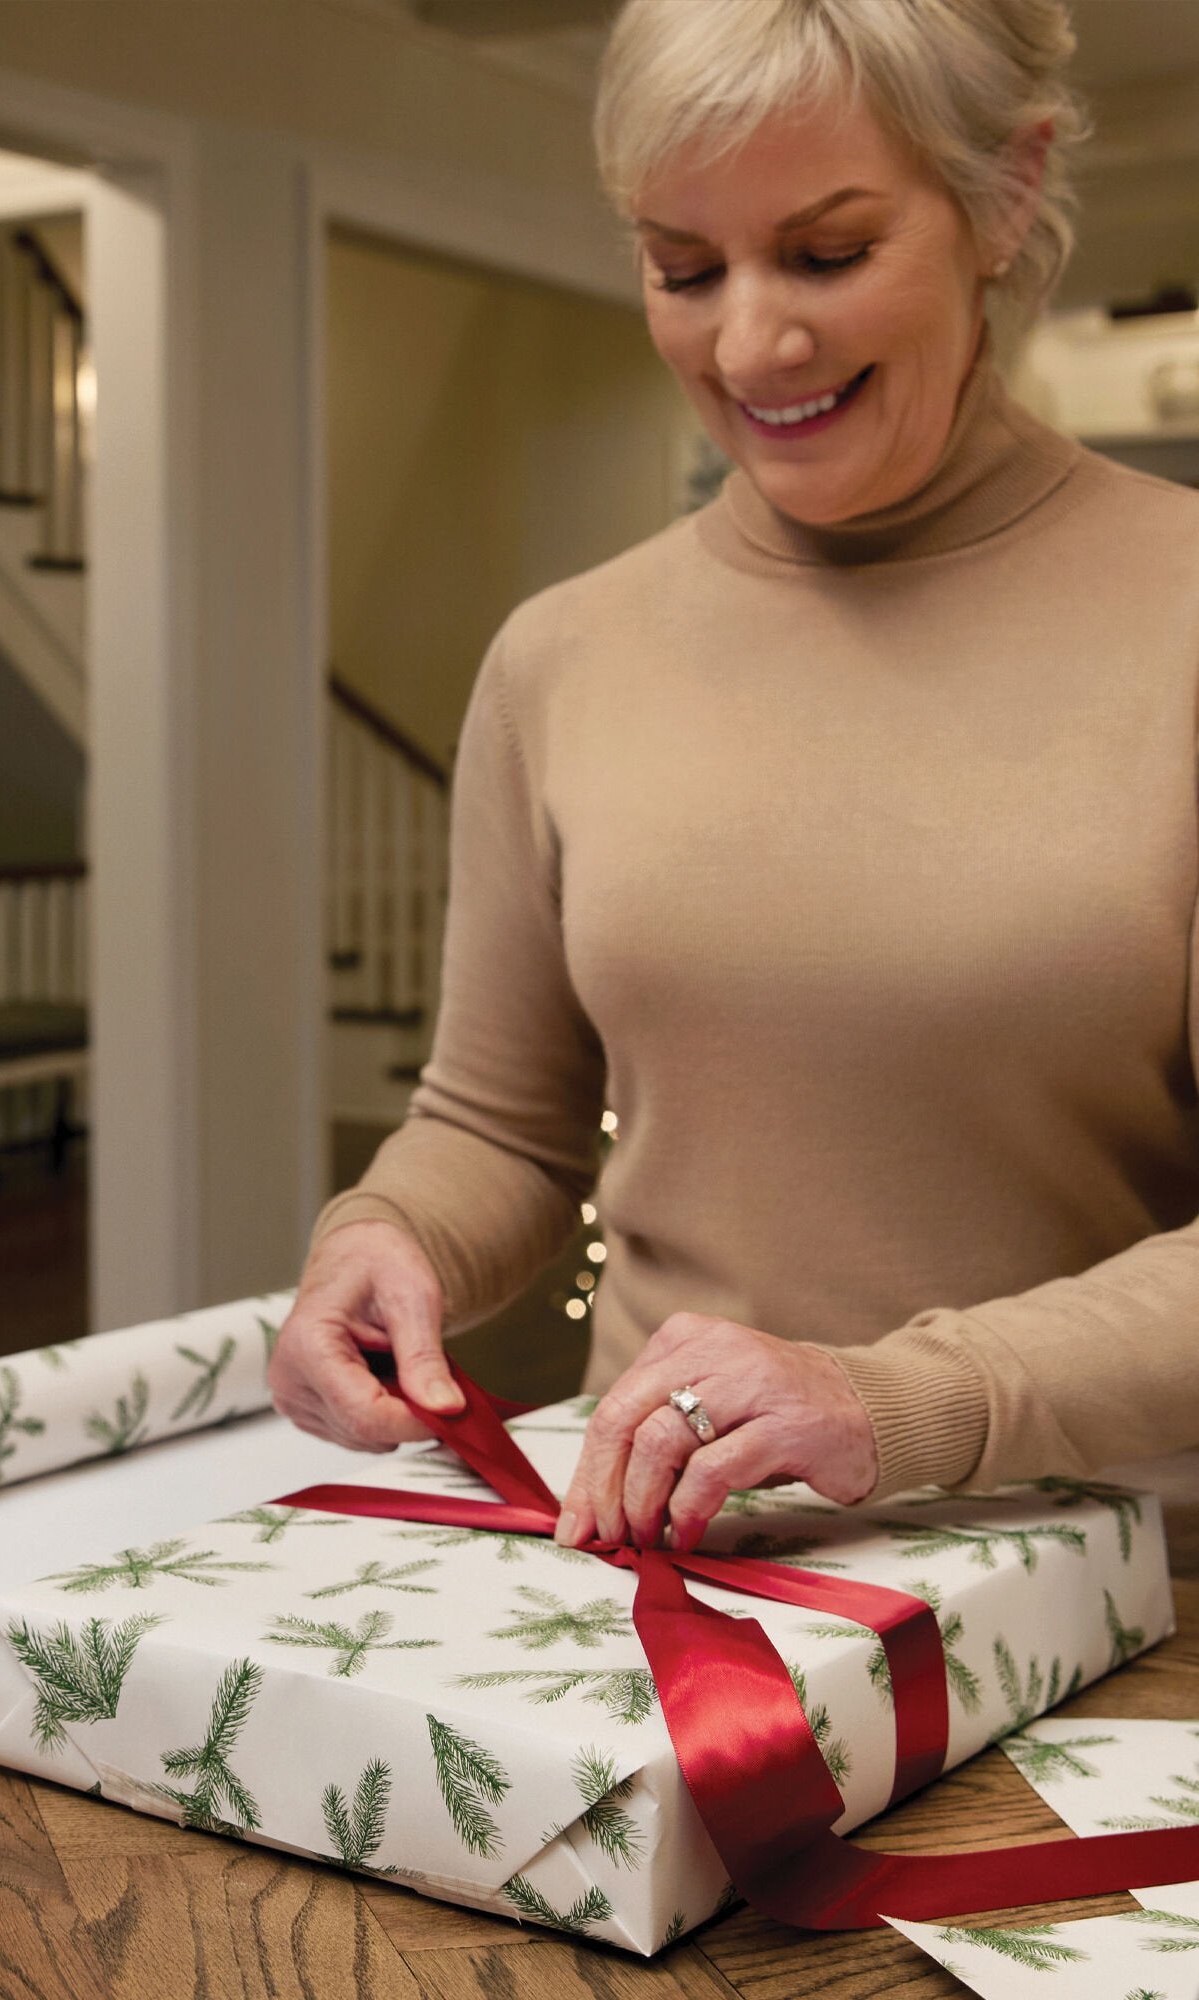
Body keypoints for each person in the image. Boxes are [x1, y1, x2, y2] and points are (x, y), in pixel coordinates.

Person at [271, 0, 1199, 1558]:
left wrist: (896, 1399)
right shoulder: (563, 656)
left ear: (1010, 193)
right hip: (657, 1589)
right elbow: (500, 1129)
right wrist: (387, 1236)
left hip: (1115, 1619)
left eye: (827, 255)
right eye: (682, 268)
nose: (750, 343)